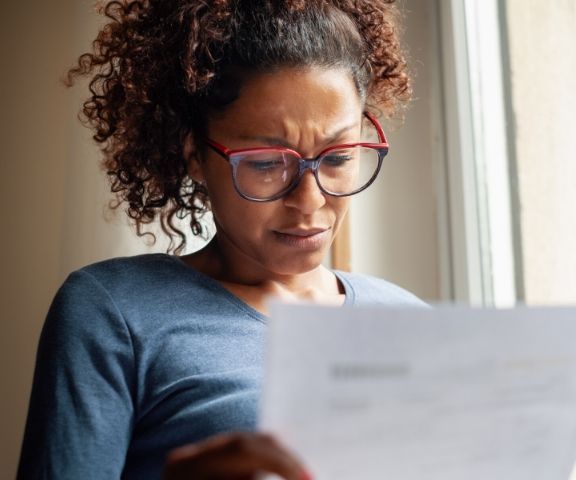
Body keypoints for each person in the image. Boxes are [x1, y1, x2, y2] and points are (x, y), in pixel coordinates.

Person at [18, 0, 424, 478]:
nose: (310, 201)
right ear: (195, 156)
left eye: (337, 157)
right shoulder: (115, 312)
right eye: (267, 164)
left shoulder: (411, 322)